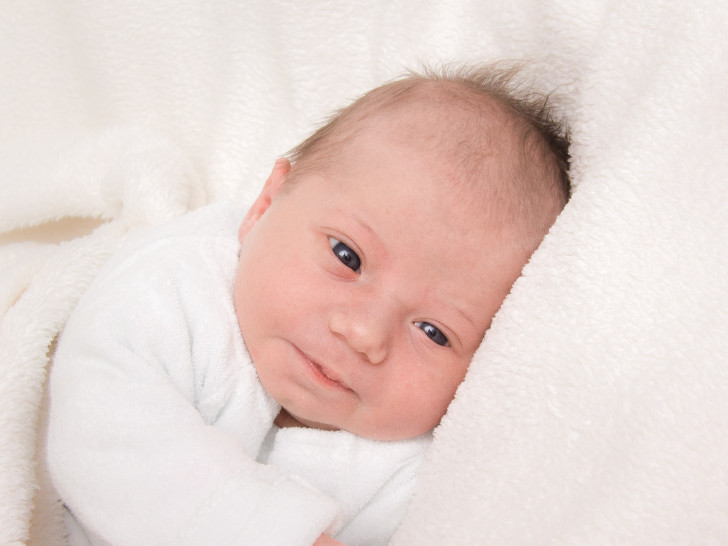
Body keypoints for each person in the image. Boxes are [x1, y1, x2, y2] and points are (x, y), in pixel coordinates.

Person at [47, 63, 570, 545]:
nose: (364, 333)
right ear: (265, 205)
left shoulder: (412, 470)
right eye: (348, 256)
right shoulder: (179, 283)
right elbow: (99, 427)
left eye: (434, 331)